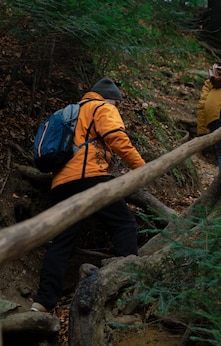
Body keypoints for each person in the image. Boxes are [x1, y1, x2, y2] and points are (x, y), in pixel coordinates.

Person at [31, 77, 146, 313]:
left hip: (62, 183)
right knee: (124, 223)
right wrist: (142, 168)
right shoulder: (103, 108)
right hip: (90, 178)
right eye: (118, 104)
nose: (117, 108)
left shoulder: (72, 112)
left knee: (62, 242)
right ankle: (131, 286)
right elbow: (117, 138)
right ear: (111, 99)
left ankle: (42, 302)